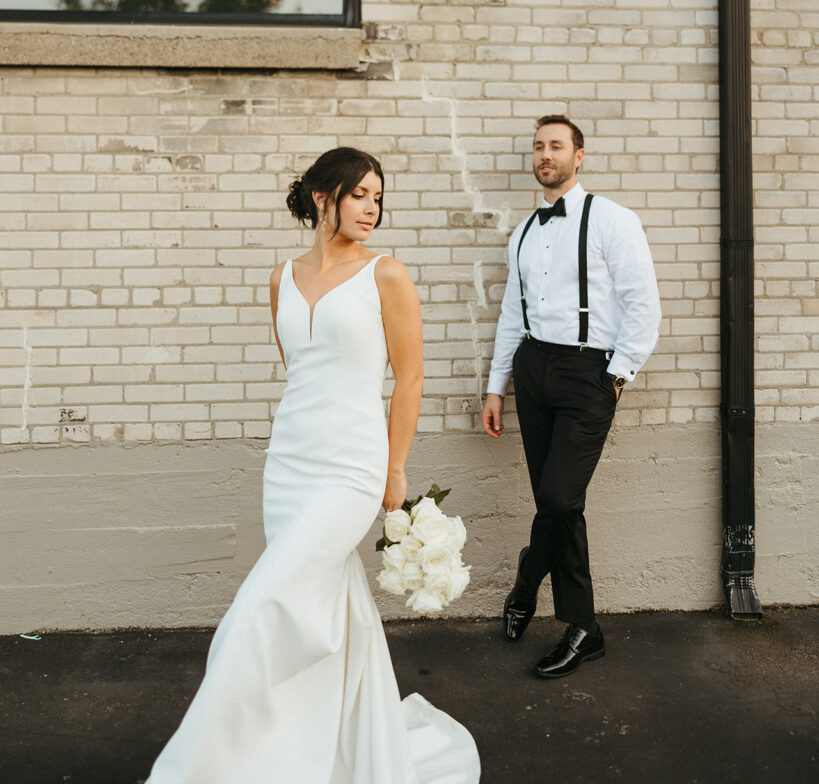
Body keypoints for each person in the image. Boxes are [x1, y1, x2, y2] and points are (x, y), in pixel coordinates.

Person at [146, 147, 480, 783]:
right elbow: (297, 372)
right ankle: (329, 750)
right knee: (325, 605)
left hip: (352, 467)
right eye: (360, 194)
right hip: (290, 465)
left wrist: (396, 469)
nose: (372, 207)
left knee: (262, 608)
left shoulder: (387, 274)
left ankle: (204, 766)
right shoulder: (282, 277)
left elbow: (409, 378)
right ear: (324, 197)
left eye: (378, 197)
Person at [481, 115, 661, 679]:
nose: (545, 154)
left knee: (558, 499)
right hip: (534, 368)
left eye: (556, 145)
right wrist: (496, 386)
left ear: (578, 156)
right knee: (561, 504)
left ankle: (531, 579)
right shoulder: (523, 233)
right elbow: (513, 314)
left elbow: (643, 306)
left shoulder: (612, 220)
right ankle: (583, 628)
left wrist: (617, 374)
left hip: (590, 373)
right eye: (538, 147)